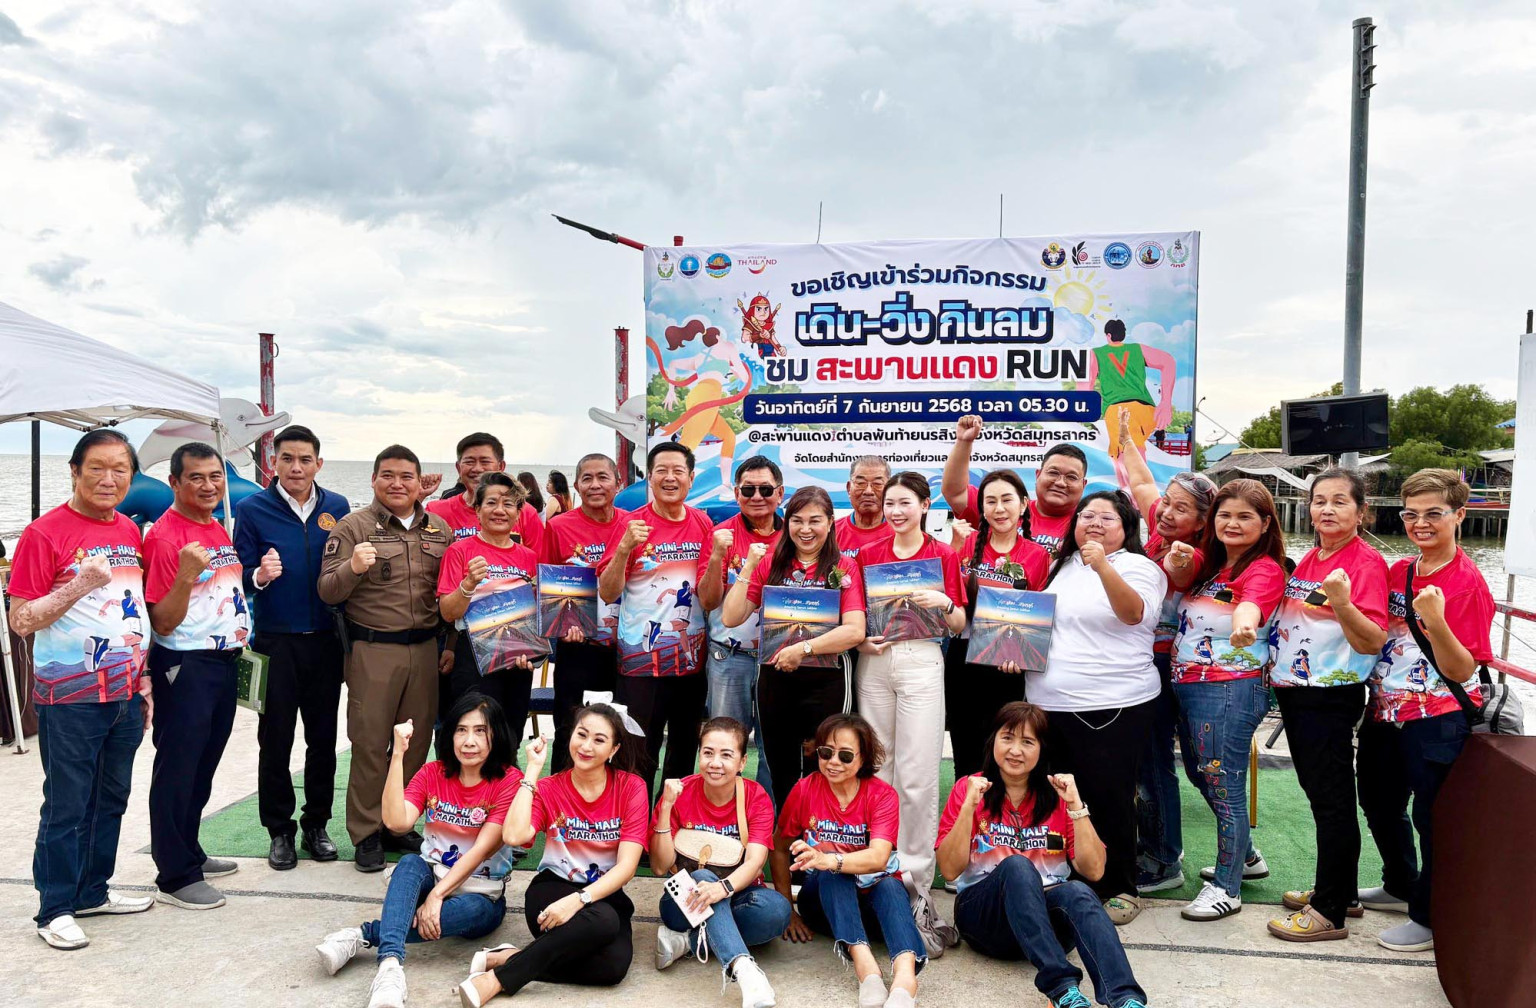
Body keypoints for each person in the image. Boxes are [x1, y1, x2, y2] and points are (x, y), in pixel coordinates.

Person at [9, 430, 155, 949]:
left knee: (111, 799)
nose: (108, 478)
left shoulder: (129, 530)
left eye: (120, 468)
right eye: (97, 467)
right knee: (67, 804)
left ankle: (93, 891)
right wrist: (77, 585)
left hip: (126, 694)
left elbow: (130, 610)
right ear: (74, 471)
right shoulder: (42, 533)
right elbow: (21, 620)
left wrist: (143, 678)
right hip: (69, 698)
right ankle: (54, 908)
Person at [1357, 469, 1493, 953]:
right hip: (1386, 711)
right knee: (1378, 801)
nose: (1420, 523)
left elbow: (1461, 668)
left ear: (1459, 515)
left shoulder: (1467, 583)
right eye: (1410, 514)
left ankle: (1430, 916)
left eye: (1433, 513)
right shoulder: (1402, 570)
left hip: (1438, 717)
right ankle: (1400, 883)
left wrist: (1435, 619)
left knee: (1432, 818)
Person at [314, 694, 522, 1008]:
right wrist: (398, 754)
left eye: (480, 731)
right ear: (449, 734)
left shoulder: (509, 781)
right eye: (461, 730)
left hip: (481, 894)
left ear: (497, 735)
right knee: (410, 862)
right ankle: (390, 969)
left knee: (474, 911)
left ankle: (364, 935)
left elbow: (481, 850)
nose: (469, 741)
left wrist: (437, 896)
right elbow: (396, 822)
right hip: (430, 876)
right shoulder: (432, 773)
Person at [937, 703, 1150, 1008]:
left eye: (1027, 742)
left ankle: (1125, 996)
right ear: (993, 741)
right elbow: (948, 870)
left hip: (1050, 926)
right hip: (986, 921)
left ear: (1042, 750)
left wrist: (1076, 806)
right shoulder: (969, 789)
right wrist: (969, 807)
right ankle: (1062, 988)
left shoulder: (1058, 795)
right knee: (1017, 867)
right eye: (1007, 738)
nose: (1015, 750)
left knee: (1078, 891)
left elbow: (1094, 871)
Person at [318, 445, 455, 872]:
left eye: (406, 476)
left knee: (415, 745)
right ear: (374, 480)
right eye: (388, 475)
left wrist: (449, 644)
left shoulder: (439, 529)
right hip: (374, 650)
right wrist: (353, 568)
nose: (397, 484)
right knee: (371, 745)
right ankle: (366, 833)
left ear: (419, 482)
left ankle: (399, 823)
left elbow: (450, 592)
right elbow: (327, 591)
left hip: (426, 650)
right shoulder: (353, 526)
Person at [457, 704, 649, 1005]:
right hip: (551, 892)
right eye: (581, 734)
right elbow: (513, 836)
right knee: (604, 921)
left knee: (613, 966)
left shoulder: (631, 787)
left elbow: (626, 867)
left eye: (599, 740)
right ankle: (496, 981)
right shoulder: (549, 787)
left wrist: (579, 900)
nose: (586, 746)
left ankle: (511, 959)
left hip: (604, 894)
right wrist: (532, 771)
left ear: (614, 749)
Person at [1267, 467, 1388, 943]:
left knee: (1332, 803)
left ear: (1362, 512)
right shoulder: (1314, 557)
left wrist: (1341, 602)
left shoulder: (1365, 563)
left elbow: (1372, 639)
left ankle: (1329, 910)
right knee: (1324, 798)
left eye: (1340, 501)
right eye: (1320, 500)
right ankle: (1342, 891)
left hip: (1328, 696)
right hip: (1298, 693)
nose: (1327, 509)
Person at [1033, 491, 1166, 925]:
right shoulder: (1060, 566)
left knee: (1107, 796)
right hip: (1048, 703)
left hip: (1110, 703)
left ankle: (1120, 886)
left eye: (1106, 518)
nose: (1094, 522)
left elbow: (1132, 614)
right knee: (1057, 796)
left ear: (1127, 528)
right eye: (1086, 515)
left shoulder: (1139, 567)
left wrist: (1103, 565)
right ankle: (1067, 880)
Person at [140, 442, 260, 909]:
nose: (209, 486)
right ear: (174, 482)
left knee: (203, 764)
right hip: (186, 665)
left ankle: (188, 848)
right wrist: (186, 575)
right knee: (178, 767)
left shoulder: (214, 527)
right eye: (196, 477)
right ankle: (175, 875)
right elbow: (163, 621)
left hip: (223, 661)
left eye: (215, 476)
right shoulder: (165, 537)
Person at [233, 424, 351, 871]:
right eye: (287, 458)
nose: (296, 467)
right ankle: (279, 830)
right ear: (273, 462)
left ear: (318, 463)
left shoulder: (338, 506)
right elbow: (237, 575)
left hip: (325, 641)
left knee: (323, 740)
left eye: (305, 459)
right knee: (275, 740)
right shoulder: (251, 508)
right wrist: (259, 575)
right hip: (273, 642)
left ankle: (316, 824)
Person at [1169, 480, 1287, 921]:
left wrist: (1245, 626)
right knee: (1203, 775)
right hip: (1191, 687)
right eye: (1225, 515)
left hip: (1229, 689)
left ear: (1266, 523)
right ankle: (1247, 857)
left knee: (1224, 783)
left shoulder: (1264, 569)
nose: (1232, 524)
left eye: (1244, 517)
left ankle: (1226, 887)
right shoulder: (1215, 567)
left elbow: (1250, 607)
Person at [856, 472, 966, 946]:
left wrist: (944, 601)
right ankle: (875, 878)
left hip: (922, 660)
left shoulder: (943, 556)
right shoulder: (867, 554)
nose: (896, 511)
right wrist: (862, 640)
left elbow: (959, 623)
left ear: (925, 505)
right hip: (876, 662)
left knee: (918, 777)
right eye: (889, 503)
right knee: (877, 771)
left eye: (905, 503)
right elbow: (855, 616)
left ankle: (917, 889)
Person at [1112, 417, 1215, 896]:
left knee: (1156, 765)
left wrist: (1177, 558)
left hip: (1163, 667)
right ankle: (1244, 852)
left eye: (1182, 509)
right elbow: (1142, 483)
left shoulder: (1196, 553)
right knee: (1194, 766)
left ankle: (1162, 858)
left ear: (1203, 522)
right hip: (1154, 662)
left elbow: (1182, 568)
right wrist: (1127, 442)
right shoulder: (1158, 524)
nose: (1167, 512)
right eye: (1168, 503)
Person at [722, 487, 867, 811]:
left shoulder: (844, 567)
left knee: (827, 763)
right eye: (797, 520)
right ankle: (786, 835)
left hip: (827, 681)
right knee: (780, 765)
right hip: (776, 680)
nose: (805, 529)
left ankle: (822, 832)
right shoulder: (772, 564)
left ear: (830, 522)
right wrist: (749, 567)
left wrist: (803, 649)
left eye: (815, 521)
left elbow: (855, 630)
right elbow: (731, 617)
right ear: (787, 523)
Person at [773, 714, 925, 1008]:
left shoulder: (882, 795)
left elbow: (879, 858)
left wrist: (829, 858)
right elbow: (778, 847)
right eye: (825, 752)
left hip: (874, 906)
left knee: (890, 885)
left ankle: (906, 978)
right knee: (831, 873)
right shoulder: (805, 789)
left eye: (845, 755)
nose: (833, 762)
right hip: (822, 902)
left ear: (863, 757)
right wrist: (787, 910)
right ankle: (866, 970)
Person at [596, 442, 714, 798]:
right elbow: (607, 592)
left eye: (678, 471)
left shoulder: (702, 523)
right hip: (639, 665)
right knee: (637, 753)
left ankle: (669, 823)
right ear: (650, 477)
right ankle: (634, 824)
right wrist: (623, 548)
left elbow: (708, 591)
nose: (670, 478)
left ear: (691, 478)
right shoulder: (631, 524)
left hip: (690, 666)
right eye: (661, 470)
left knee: (683, 750)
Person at [651, 717, 789, 1008]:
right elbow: (660, 867)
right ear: (699, 754)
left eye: (726, 755)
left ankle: (686, 942)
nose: (715, 763)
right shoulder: (680, 793)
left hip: (739, 894)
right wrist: (666, 808)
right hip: (683, 903)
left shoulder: (755, 796)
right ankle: (744, 970)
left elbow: (755, 861)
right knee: (702, 877)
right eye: (708, 753)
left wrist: (723, 888)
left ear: (742, 762)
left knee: (777, 912)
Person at [943, 469, 1052, 779]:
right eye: (990, 501)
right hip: (963, 661)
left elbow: (1039, 617)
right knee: (966, 751)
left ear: (1024, 505)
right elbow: (947, 598)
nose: (999, 509)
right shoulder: (966, 544)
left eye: (1007, 500)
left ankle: (1002, 810)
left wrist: (1020, 655)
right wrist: (952, 548)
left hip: (1009, 666)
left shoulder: (1038, 555)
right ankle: (968, 808)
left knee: (1006, 751)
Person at [438, 472, 550, 734]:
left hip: (518, 658)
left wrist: (534, 656)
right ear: (477, 510)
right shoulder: (459, 551)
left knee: (511, 733)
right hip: (472, 657)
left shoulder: (529, 557)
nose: (499, 510)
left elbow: (537, 616)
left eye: (508, 504)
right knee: (475, 732)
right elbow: (447, 612)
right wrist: (468, 584)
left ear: (518, 513)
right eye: (491, 503)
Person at [540, 453, 628, 770]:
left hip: (626, 650)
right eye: (586, 478)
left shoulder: (633, 525)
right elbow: (546, 585)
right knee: (570, 729)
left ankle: (614, 795)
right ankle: (558, 794)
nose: (595, 485)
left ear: (618, 483)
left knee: (619, 731)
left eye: (603, 477)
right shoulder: (558, 527)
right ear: (576, 486)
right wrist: (561, 626)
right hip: (577, 648)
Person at [698, 456, 784, 743]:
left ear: (780, 493)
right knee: (725, 742)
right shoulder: (720, 535)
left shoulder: (794, 536)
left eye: (765, 489)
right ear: (737, 494)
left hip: (779, 659)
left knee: (774, 746)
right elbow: (708, 602)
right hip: (729, 657)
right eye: (748, 490)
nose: (757, 496)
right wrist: (716, 557)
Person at [941, 416, 1086, 554]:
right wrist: (964, 442)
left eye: (1071, 477)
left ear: (1083, 484)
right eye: (1053, 473)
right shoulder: (1003, 509)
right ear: (1038, 475)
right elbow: (955, 493)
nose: (1060, 483)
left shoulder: (1088, 525)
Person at [1077, 318, 1177, 488]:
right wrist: (1165, 402)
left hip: (1119, 411)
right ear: (1123, 335)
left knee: (1128, 457)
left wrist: (1084, 412)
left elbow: (1084, 387)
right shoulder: (1137, 349)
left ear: (1108, 335)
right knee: (1122, 456)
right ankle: (1130, 496)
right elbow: (1168, 361)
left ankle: (1139, 497)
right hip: (1146, 410)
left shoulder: (1096, 354)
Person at [427, 434, 545, 555]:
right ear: (458, 467)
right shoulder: (436, 512)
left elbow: (540, 562)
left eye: (485, 462)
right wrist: (419, 496)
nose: (477, 469)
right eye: (469, 462)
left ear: (501, 466)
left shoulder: (525, 513)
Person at [835, 457, 895, 562]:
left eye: (877, 484)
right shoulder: (831, 533)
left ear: (889, 489)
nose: (868, 491)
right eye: (860, 483)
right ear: (849, 488)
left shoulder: (901, 532)